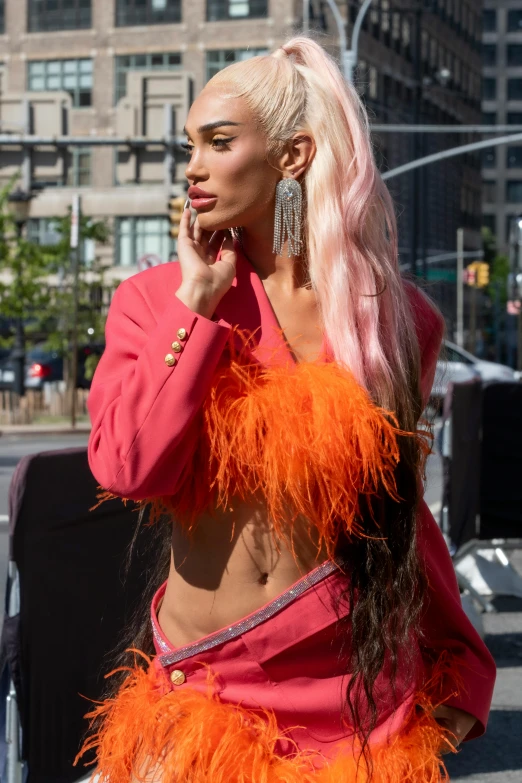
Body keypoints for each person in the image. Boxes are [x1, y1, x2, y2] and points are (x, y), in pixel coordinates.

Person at [79, 37, 495, 783]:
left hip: (358, 703)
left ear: (294, 155)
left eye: (219, 142)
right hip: (204, 692)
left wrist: (462, 661)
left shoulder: (394, 320)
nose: (194, 166)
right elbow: (129, 467)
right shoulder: (153, 301)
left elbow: (398, 509)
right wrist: (198, 312)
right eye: (190, 145)